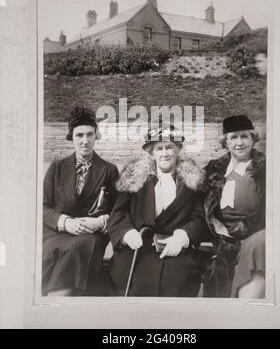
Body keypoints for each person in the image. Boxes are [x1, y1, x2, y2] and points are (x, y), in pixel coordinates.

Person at [107, 124, 210, 297]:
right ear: (151, 153)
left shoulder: (191, 182)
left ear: (178, 150)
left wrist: (183, 237)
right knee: (133, 285)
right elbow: (119, 212)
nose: (165, 153)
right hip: (138, 248)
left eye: (170, 147)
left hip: (175, 249)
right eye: (159, 148)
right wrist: (127, 233)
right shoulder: (135, 179)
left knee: (177, 282)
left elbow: (199, 218)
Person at [42, 106, 119, 296]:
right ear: (71, 137)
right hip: (57, 232)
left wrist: (99, 222)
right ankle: (56, 299)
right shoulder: (57, 167)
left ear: (96, 136)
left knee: (80, 248)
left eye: (90, 134)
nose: (85, 141)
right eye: (79, 135)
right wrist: (65, 222)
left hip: (90, 235)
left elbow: (119, 210)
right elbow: (42, 207)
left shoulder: (108, 170)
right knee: (49, 251)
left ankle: (58, 298)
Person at [203, 115, 266, 298]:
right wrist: (215, 226)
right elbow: (199, 201)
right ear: (225, 142)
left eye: (244, 136)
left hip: (252, 238)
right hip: (220, 239)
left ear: (253, 139)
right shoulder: (214, 169)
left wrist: (242, 232)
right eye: (233, 137)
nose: (239, 143)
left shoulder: (264, 168)